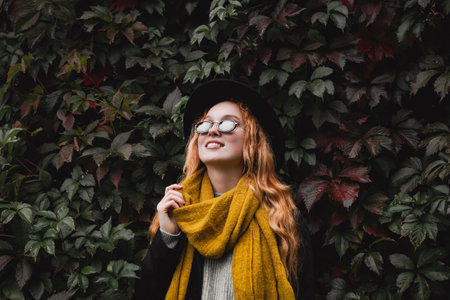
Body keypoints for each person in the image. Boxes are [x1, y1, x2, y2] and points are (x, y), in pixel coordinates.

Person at [133, 79, 314, 300]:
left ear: (253, 140)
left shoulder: (282, 218)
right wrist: (168, 237)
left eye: (229, 124)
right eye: (205, 124)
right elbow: (146, 294)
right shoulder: (180, 211)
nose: (213, 131)